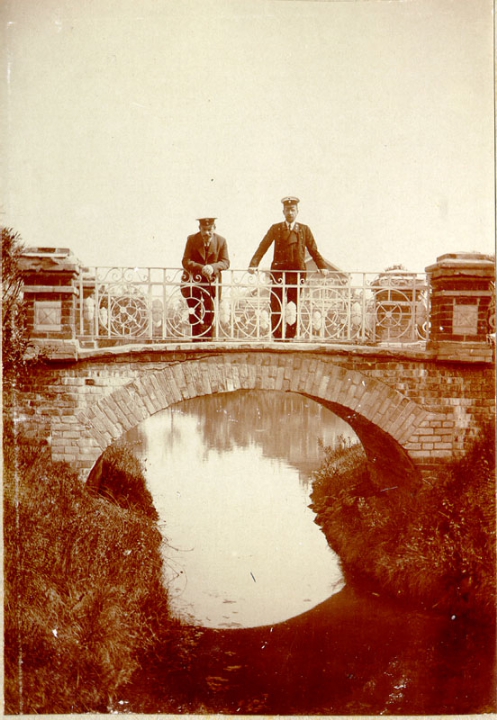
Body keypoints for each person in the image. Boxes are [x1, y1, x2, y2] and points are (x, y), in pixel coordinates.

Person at [248, 197, 328, 339]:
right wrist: (254, 264)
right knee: (276, 303)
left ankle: (291, 335)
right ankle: (277, 335)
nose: (290, 213)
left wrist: (322, 266)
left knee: (293, 304)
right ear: (283, 211)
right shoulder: (276, 228)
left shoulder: (304, 229)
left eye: (292, 210)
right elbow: (263, 246)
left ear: (297, 211)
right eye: (287, 210)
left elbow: (313, 250)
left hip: (296, 273)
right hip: (278, 273)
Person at [181, 217, 230, 339]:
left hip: (212, 282)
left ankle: (208, 340)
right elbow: (186, 261)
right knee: (194, 311)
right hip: (194, 281)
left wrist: (212, 267)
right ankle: (196, 340)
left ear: (214, 228)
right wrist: (201, 268)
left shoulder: (221, 241)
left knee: (210, 311)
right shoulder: (192, 239)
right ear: (199, 228)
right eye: (204, 229)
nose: (207, 233)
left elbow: (225, 262)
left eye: (209, 229)